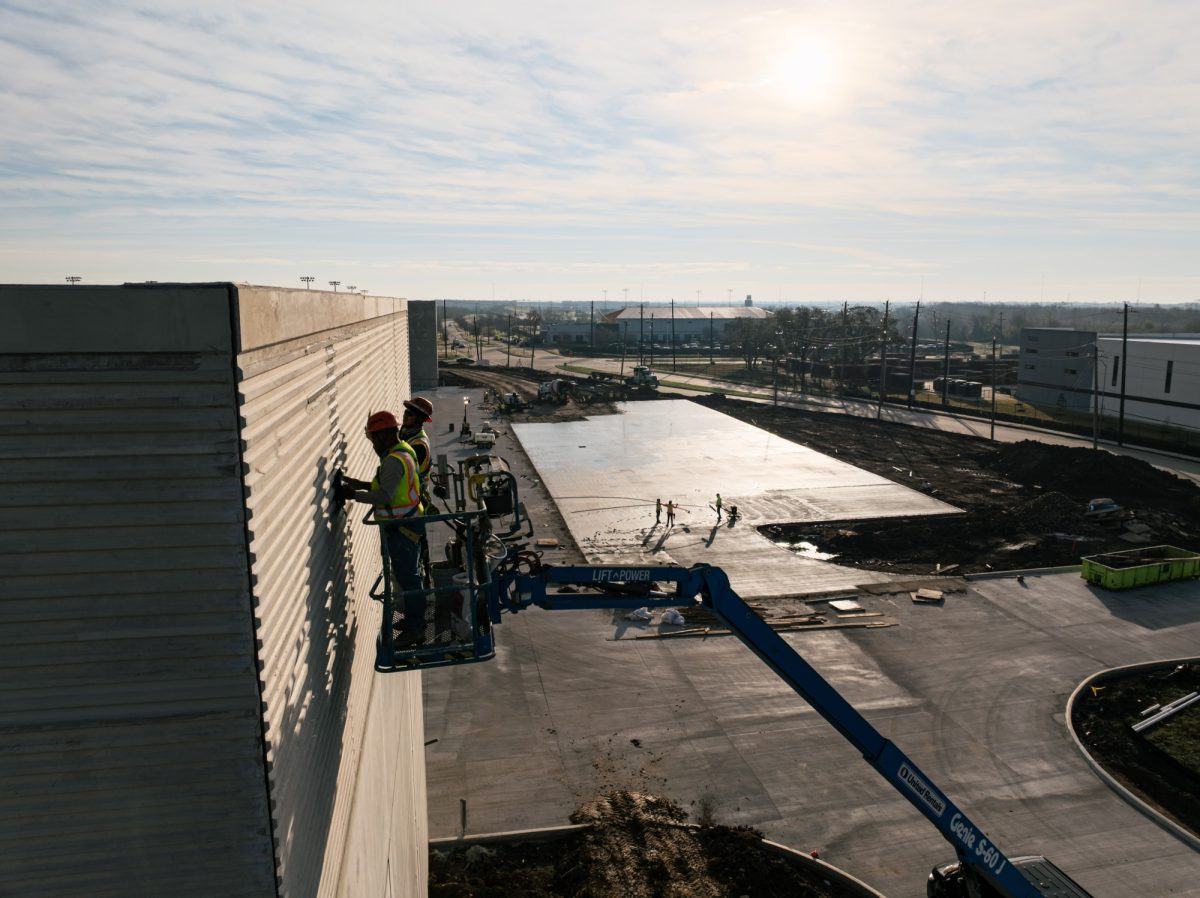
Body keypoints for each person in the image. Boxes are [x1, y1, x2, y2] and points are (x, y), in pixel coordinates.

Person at [338, 411, 427, 647]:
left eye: (374, 438)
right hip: (408, 522)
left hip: (401, 527)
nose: (373, 444)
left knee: (408, 579)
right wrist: (360, 484)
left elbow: (385, 495)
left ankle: (416, 628)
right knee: (408, 577)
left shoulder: (393, 461)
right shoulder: (404, 451)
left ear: (385, 435)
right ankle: (413, 621)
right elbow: (391, 487)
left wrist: (353, 495)